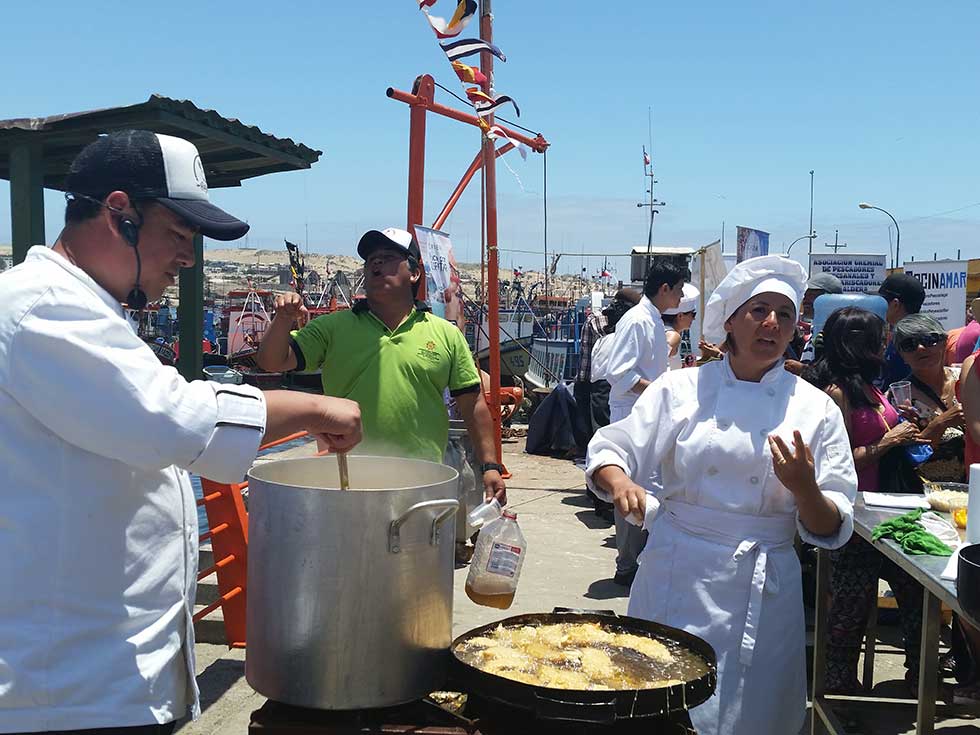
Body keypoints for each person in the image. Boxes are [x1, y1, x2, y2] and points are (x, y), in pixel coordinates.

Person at [0, 130, 363, 734]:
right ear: (119, 214)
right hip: (62, 692)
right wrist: (317, 410)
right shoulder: (41, 307)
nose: (189, 258)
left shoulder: (88, 308)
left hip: (100, 677)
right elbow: (177, 419)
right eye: (179, 236)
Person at [586, 255, 856, 735]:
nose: (772, 323)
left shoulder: (815, 409)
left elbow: (829, 524)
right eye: (758, 310)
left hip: (762, 584)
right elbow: (615, 445)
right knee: (656, 705)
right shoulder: (680, 388)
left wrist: (804, 488)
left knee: (750, 713)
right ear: (730, 319)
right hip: (677, 572)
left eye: (785, 314)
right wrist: (621, 480)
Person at [256, 227, 505, 503]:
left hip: (422, 481)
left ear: (414, 273)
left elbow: (473, 404)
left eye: (387, 257)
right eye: (370, 259)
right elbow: (270, 361)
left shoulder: (446, 335)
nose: (375, 262)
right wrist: (282, 319)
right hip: (346, 481)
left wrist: (490, 466)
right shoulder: (331, 328)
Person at [804, 307, 925, 694]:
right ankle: (838, 689)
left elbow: (880, 428)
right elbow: (835, 463)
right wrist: (889, 440)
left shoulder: (870, 387)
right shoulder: (835, 393)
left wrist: (899, 420)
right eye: (880, 336)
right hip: (854, 521)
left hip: (888, 514)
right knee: (848, 610)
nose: (886, 342)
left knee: (918, 601)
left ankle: (920, 677)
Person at [603, 258, 688, 587]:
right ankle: (626, 565)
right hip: (632, 415)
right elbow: (620, 372)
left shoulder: (653, 320)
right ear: (665, 289)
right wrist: (659, 393)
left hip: (648, 414)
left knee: (649, 489)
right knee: (631, 490)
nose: (681, 298)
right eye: (679, 290)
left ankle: (638, 560)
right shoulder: (638, 320)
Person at [893, 314, 966, 483]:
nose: (920, 348)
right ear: (902, 355)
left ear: (944, 341)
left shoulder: (966, 379)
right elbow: (910, 455)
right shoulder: (899, 396)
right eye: (909, 344)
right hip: (928, 492)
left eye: (929, 339)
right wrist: (940, 423)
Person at [785, 271, 844, 374]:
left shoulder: (839, 333)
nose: (805, 299)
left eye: (812, 295)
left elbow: (838, 374)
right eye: (805, 294)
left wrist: (803, 370)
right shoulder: (816, 330)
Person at [878, 272, 926, 388]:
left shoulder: (907, 338)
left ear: (895, 305)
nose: (879, 306)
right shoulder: (917, 333)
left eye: (882, 301)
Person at [661, 283, 700, 370]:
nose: (694, 319)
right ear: (680, 316)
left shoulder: (660, 329)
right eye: (693, 314)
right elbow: (657, 361)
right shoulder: (673, 336)